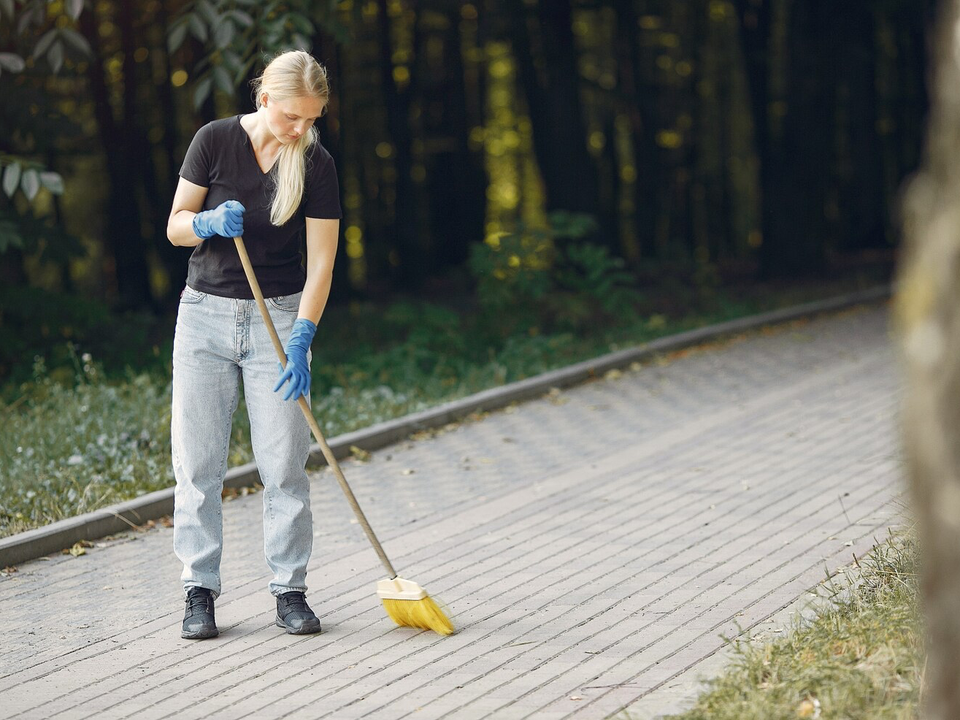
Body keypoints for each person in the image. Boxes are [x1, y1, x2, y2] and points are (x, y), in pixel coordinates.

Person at [166, 50, 341, 640]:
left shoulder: (315, 164)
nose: (301, 130)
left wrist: (303, 338)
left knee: (285, 463)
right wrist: (208, 222)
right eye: (293, 117)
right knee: (198, 464)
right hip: (204, 319)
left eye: (311, 119)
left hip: (280, 318)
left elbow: (320, 265)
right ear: (264, 98)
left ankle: (290, 591)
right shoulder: (213, 140)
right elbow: (175, 225)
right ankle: (199, 591)